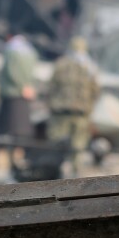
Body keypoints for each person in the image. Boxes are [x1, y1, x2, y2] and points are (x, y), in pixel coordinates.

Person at [47, 37, 100, 176]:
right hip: (81, 114)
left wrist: (52, 104)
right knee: (78, 147)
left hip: (60, 113)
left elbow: (51, 88)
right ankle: (75, 175)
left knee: (58, 146)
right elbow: (96, 91)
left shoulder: (60, 64)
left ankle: (56, 173)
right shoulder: (90, 67)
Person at [0, 32, 38, 165]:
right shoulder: (31, 51)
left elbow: (11, 72)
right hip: (26, 92)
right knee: (21, 127)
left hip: (12, 92)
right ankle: (18, 156)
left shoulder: (11, 49)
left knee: (6, 126)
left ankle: (2, 159)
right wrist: (28, 87)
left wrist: (21, 87)